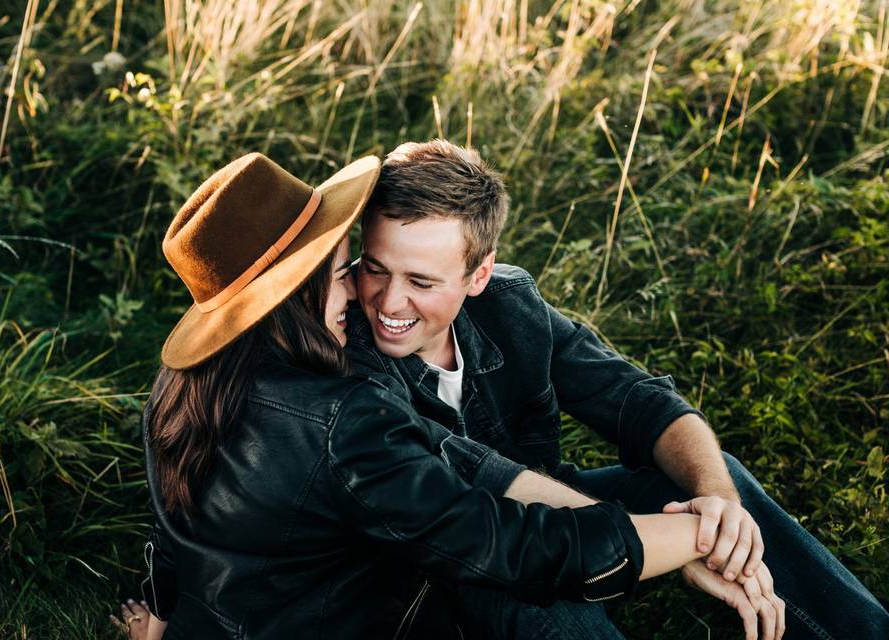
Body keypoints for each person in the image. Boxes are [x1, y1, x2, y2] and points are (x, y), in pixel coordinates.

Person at [112, 151, 759, 639]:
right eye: (354, 272)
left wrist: (170, 617)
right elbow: (502, 542)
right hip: (408, 597)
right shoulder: (341, 410)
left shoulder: (185, 383)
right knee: (521, 589)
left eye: (353, 267)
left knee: (718, 484)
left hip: (277, 608)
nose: (368, 300)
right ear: (296, 294)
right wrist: (694, 540)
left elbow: (176, 532)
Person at [339, 139, 889, 639]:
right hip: (448, 573)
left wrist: (716, 512)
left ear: (478, 276)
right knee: (535, 584)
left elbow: (640, 400)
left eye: (421, 282)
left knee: (717, 480)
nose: (388, 303)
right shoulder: (350, 359)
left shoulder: (510, 304)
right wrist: (665, 542)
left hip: (556, 520)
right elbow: (483, 491)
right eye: (376, 269)